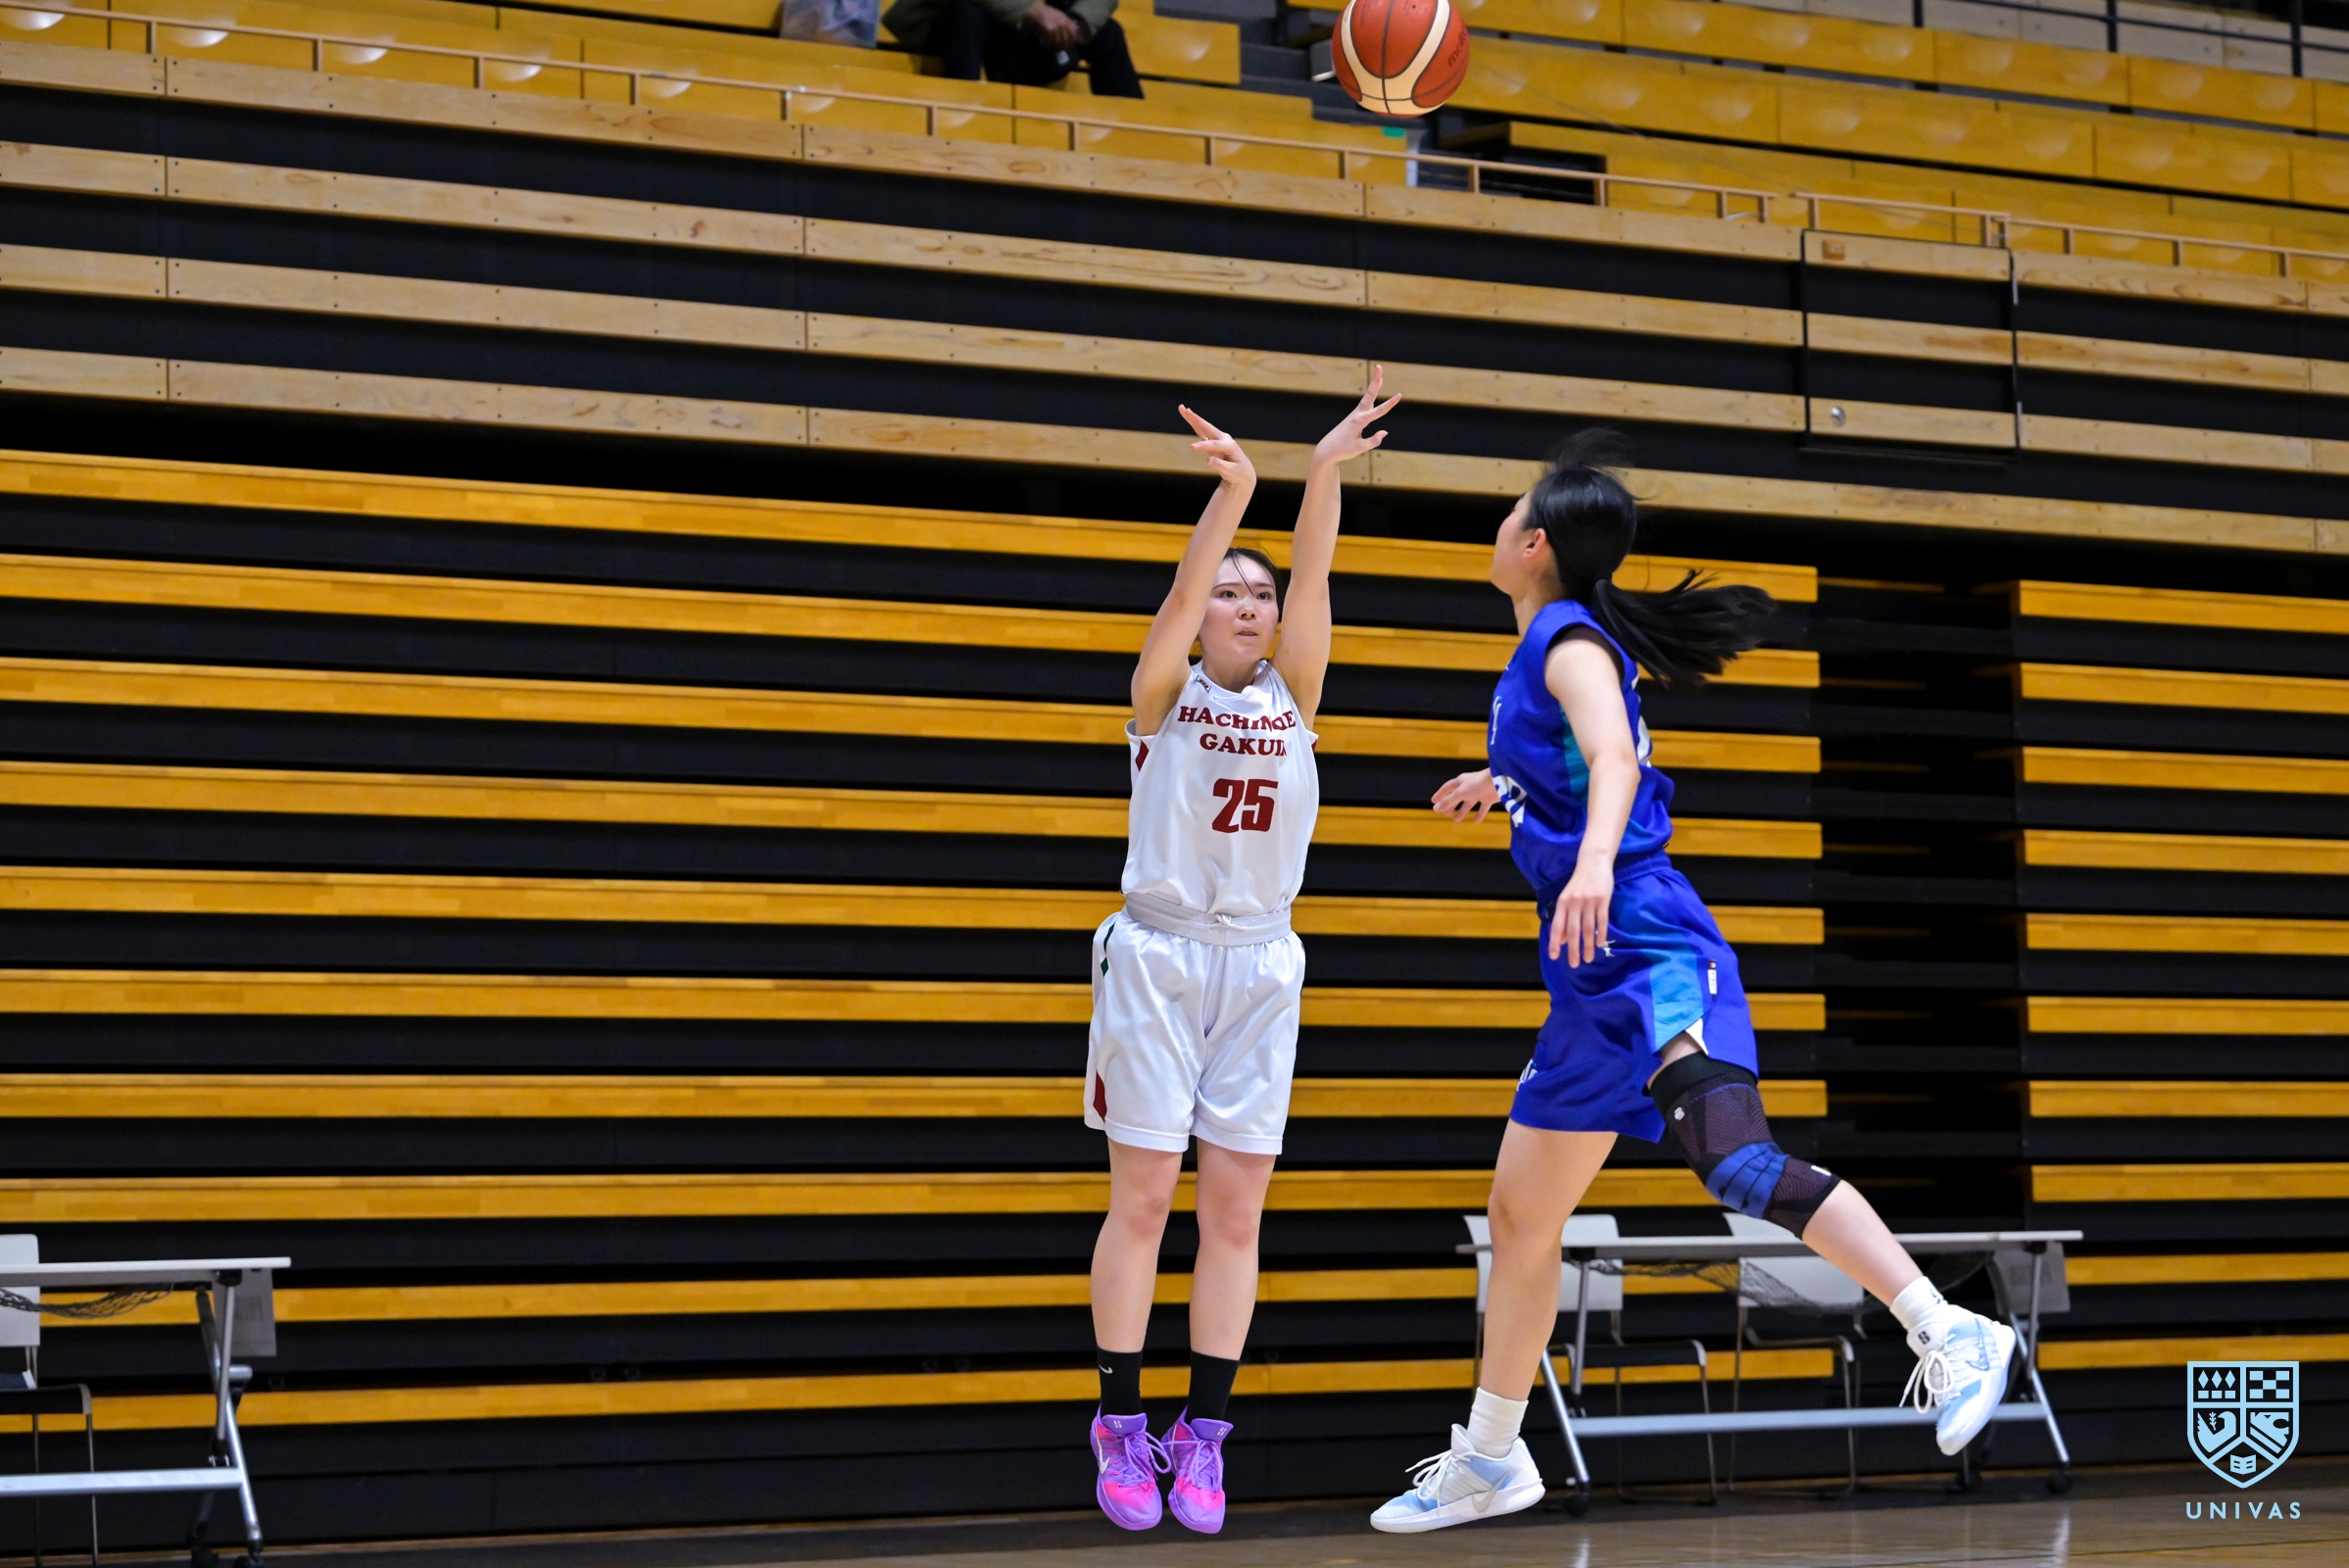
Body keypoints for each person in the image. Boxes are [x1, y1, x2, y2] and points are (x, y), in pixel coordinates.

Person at [1369, 433, 2019, 1534]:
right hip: (1588, 980)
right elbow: (1581, 757)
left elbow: (1616, 760)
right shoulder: (1554, 644)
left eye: (1510, 511)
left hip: (1649, 940)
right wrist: (1508, 784)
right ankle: (1488, 1455)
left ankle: (1944, 1324)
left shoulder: (1568, 639)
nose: (1498, 523)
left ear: (1534, 545)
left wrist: (1588, 860)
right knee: (1521, 1215)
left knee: (1734, 1161)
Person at [1085, 376, 1400, 1535]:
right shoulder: (1163, 696)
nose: (1250, 603)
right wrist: (1238, 493)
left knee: (1234, 1215)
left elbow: (1315, 577)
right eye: (1232, 591)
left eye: (1258, 592)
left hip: (1262, 964)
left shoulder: (1294, 696)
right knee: (1144, 1201)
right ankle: (1120, 1418)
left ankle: (1203, 1436)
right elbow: (1182, 590)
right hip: (1159, 957)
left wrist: (1321, 473)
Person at [882, 0, 1145, 96]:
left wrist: (1073, 24)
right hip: (960, 33)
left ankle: (1132, 142)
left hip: (1027, 40)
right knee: (966, 15)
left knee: (1108, 33)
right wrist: (1033, 10)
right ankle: (960, 122)